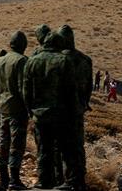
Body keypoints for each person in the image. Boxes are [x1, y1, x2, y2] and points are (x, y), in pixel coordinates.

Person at [22, 32, 79, 190]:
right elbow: (71, 90)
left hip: (40, 115)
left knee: (43, 149)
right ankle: (69, 181)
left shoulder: (32, 61)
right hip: (61, 114)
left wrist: (30, 111)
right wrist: (73, 112)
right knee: (66, 149)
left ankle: (43, 181)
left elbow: (26, 91)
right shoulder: (64, 61)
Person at [0, 31, 29, 190]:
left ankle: (3, 179)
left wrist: (1, 101)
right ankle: (14, 179)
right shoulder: (22, 61)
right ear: (23, 46)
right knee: (16, 144)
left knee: (3, 143)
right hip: (17, 109)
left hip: (4, 108)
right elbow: (23, 88)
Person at [58, 25, 93, 191]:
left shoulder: (58, 59)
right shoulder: (85, 60)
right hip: (78, 110)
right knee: (78, 145)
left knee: (62, 146)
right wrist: (83, 103)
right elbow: (89, 88)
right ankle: (79, 180)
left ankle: (65, 180)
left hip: (61, 110)